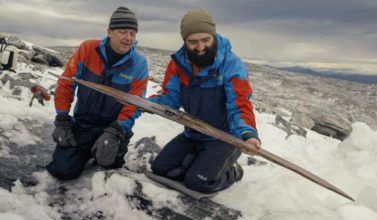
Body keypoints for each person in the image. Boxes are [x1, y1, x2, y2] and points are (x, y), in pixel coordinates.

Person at [149, 9, 261, 193]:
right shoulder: (179, 64)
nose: (200, 47)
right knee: (161, 169)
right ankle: (198, 160)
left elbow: (240, 104)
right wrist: (147, 103)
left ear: (214, 37)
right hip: (193, 134)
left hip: (224, 138)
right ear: (184, 41)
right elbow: (171, 97)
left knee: (199, 183)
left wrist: (247, 134)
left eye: (205, 40)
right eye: (193, 42)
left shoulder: (232, 65)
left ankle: (233, 172)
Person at [46, 6, 148, 180]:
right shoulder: (88, 49)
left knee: (107, 164)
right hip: (83, 124)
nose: (128, 38)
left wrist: (116, 130)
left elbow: (135, 103)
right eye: (123, 32)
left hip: (111, 127)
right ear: (109, 32)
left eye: (132, 33)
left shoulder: (138, 63)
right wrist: (62, 119)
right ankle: (86, 150)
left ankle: (112, 147)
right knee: (62, 171)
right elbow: (66, 83)